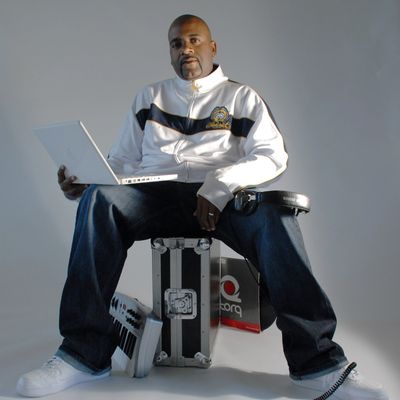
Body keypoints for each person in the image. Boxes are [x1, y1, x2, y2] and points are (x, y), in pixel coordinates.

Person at [17, 14, 388, 400]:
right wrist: (86, 181)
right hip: (155, 196)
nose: (186, 49)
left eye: (194, 40)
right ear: (170, 53)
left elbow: (272, 154)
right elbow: (122, 162)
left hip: (221, 200)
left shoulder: (241, 98)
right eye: (177, 43)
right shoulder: (149, 98)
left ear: (213, 47)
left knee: (276, 218)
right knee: (98, 200)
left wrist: (219, 186)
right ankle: (83, 355)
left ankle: (317, 363)